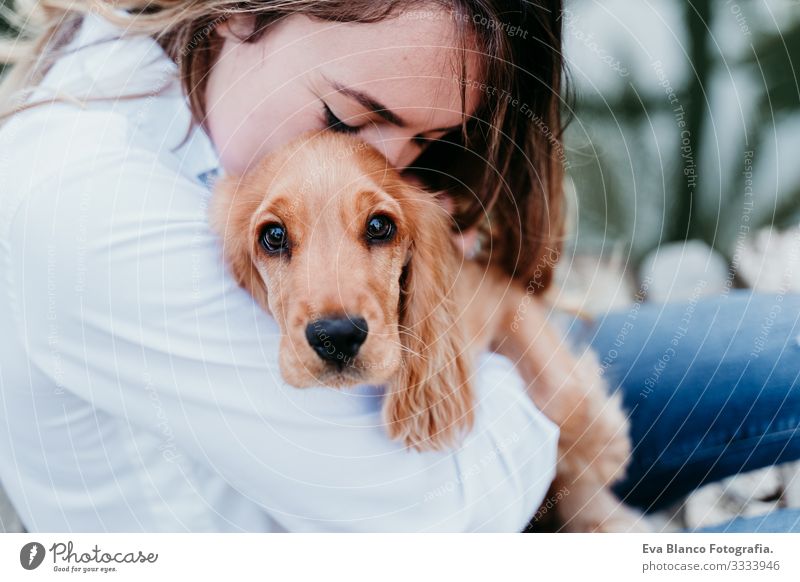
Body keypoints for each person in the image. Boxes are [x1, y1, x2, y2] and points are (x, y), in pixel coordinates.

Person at [0, 1, 796, 533]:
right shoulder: (95, 211)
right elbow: (439, 518)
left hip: (466, 420)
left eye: (420, 141)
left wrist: (496, 327)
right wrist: (526, 358)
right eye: (349, 117)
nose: (385, 171)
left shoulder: (183, 61)